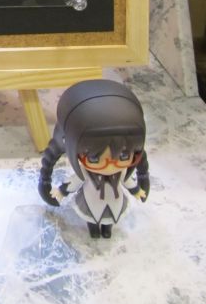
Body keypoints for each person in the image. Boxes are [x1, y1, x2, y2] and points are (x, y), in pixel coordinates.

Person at [38, 79, 150, 238]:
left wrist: (137, 190)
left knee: (109, 218)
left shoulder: (122, 172)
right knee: (92, 217)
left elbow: (128, 182)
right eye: (95, 158)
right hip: (91, 202)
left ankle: (107, 229)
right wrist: (61, 191)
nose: (110, 165)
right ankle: (94, 230)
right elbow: (74, 182)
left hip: (114, 203)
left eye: (124, 156)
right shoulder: (85, 172)